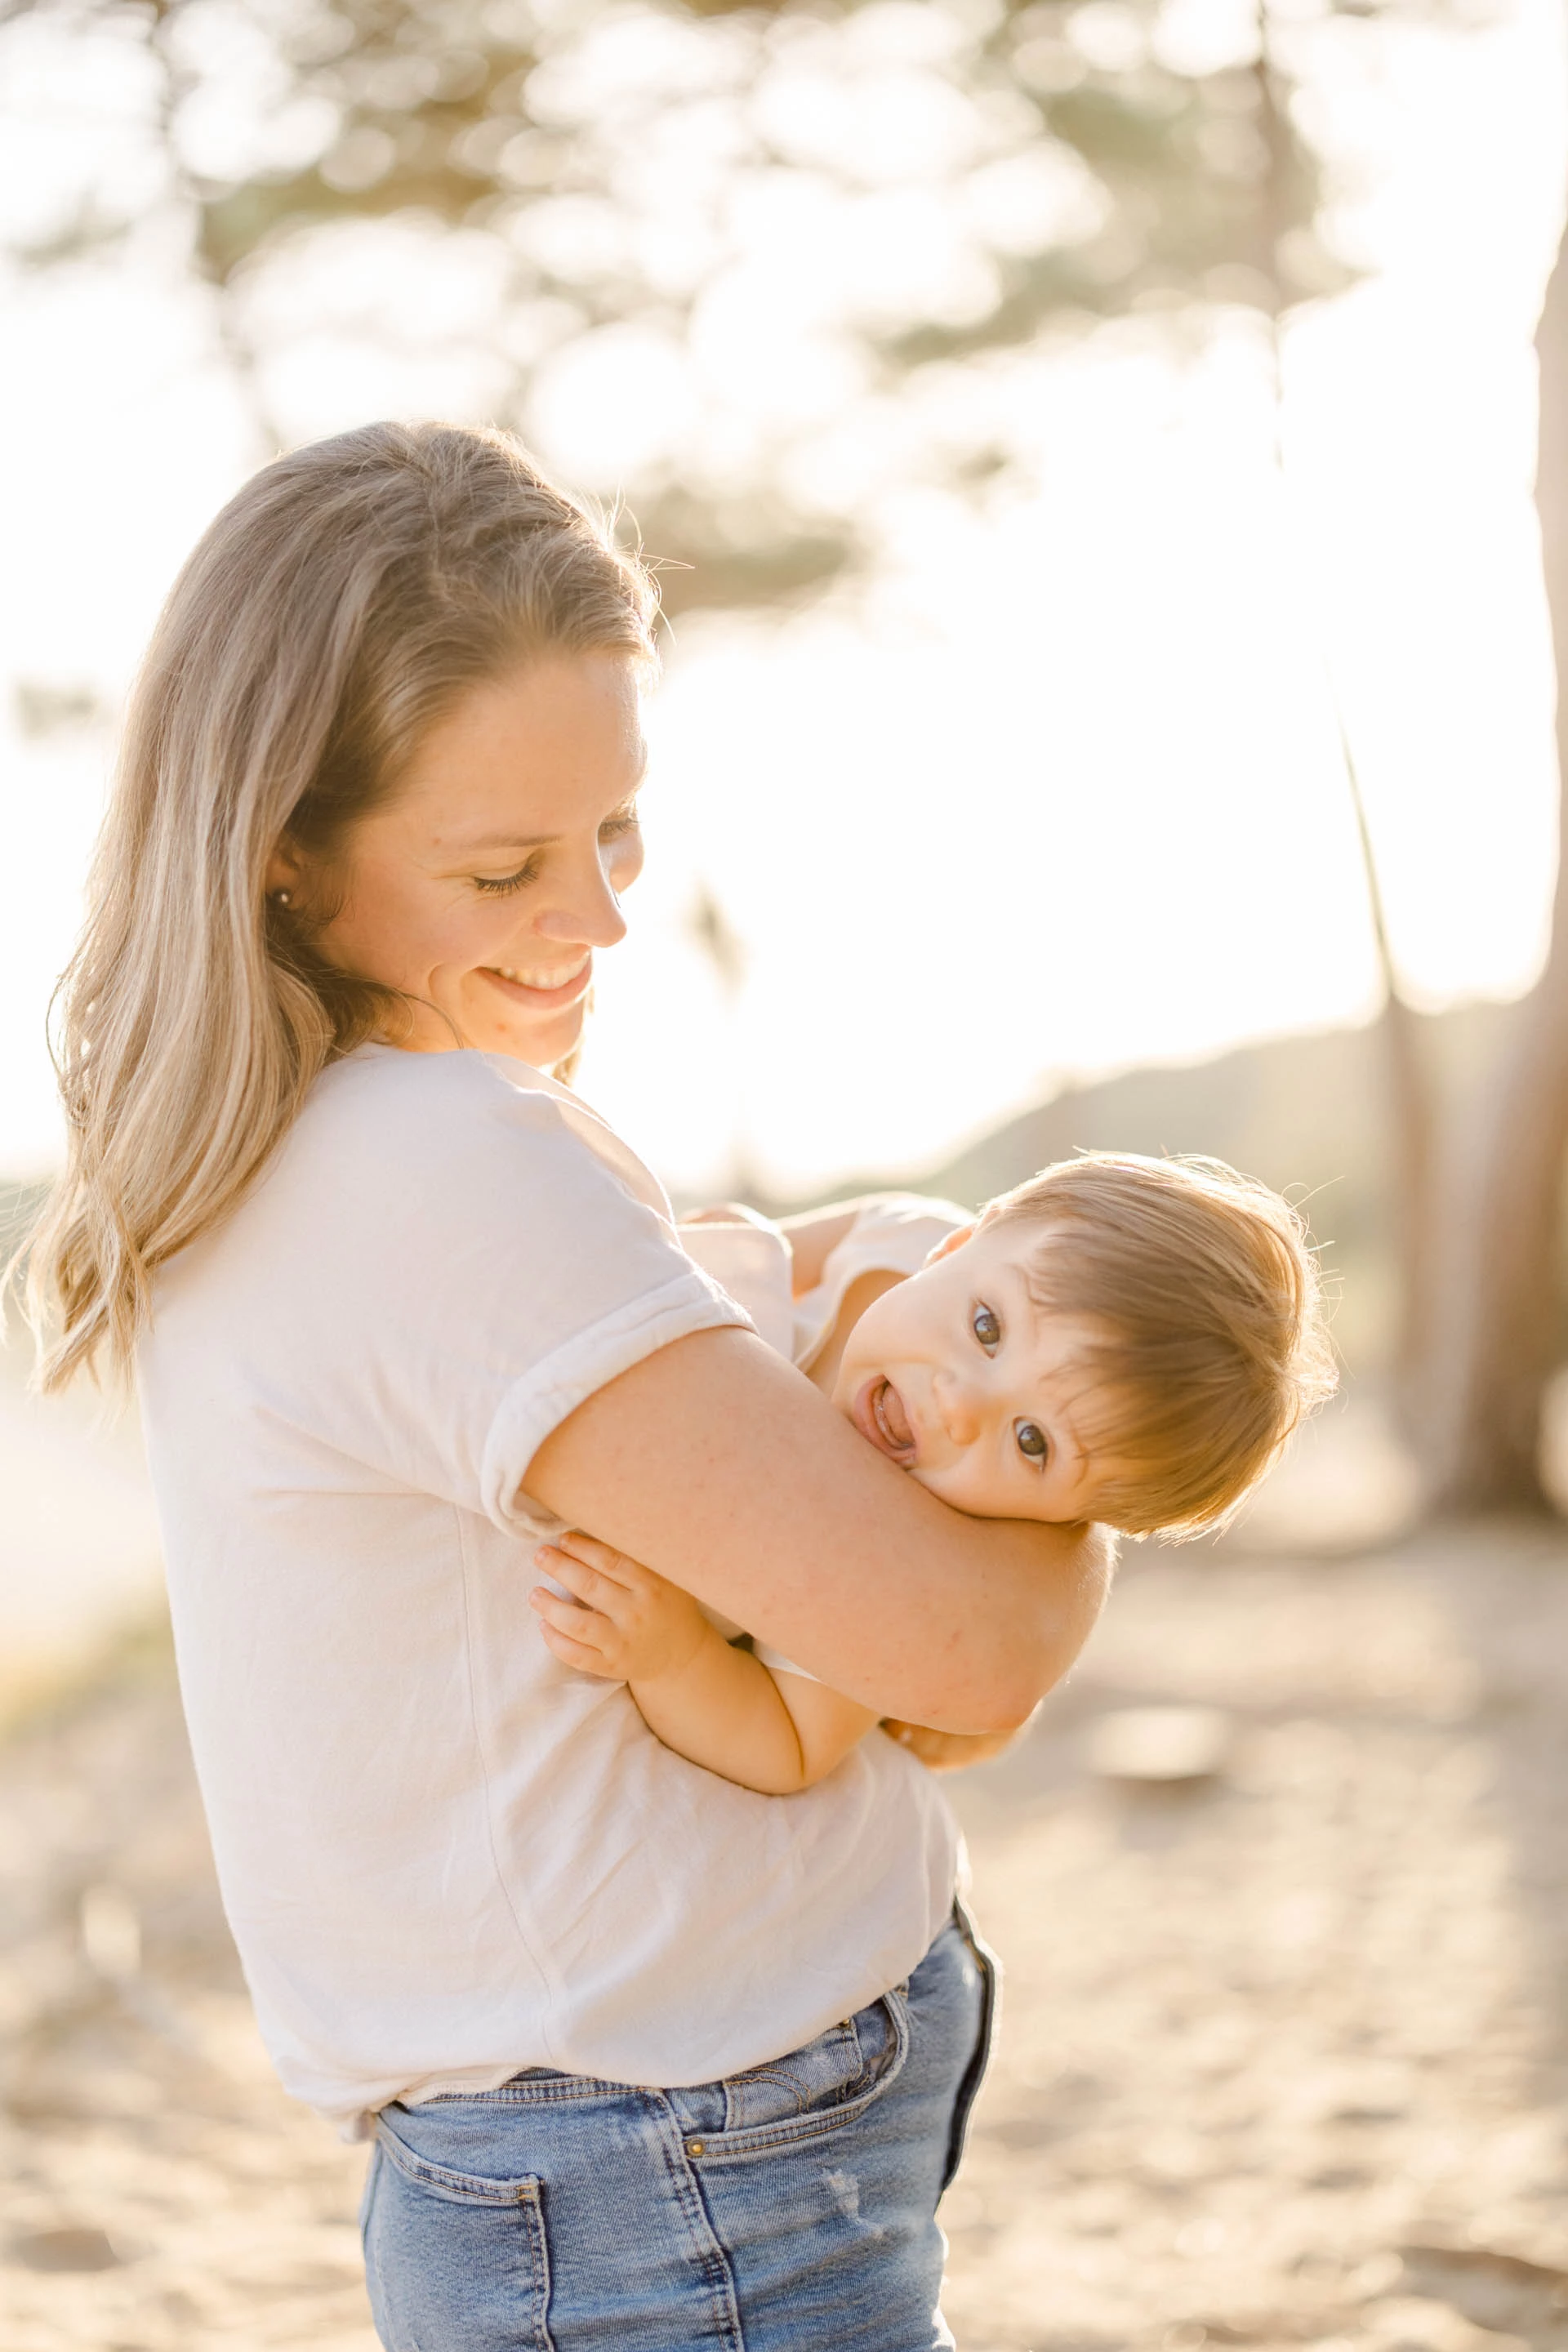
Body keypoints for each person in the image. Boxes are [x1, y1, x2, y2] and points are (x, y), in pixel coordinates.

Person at [20, 419, 1111, 2352]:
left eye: (615, 831)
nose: (599, 916)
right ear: (282, 857)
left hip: (665, 2156)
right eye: (505, 861)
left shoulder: (353, 1146)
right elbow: (963, 1647)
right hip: (669, 2172)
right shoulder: (426, 1164)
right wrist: (1048, 1553)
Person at [537, 1157, 1335, 1793]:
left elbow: (787, 1743)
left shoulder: (908, 1562)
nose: (959, 1406)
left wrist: (677, 1660)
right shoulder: (889, 1249)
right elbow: (736, 1247)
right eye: (987, 1326)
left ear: (1057, 1522)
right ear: (955, 1245)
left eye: (1032, 1443)